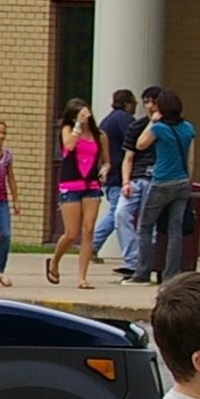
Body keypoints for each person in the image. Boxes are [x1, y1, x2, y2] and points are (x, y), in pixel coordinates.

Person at [130, 88, 197, 285]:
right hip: (182, 182)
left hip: (161, 182)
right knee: (175, 230)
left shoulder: (159, 128)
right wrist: (188, 180)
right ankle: (171, 274)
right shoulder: (188, 128)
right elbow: (191, 158)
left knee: (145, 226)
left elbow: (140, 144)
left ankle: (142, 272)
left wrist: (152, 121)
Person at [46, 99, 101, 288]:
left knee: (88, 229)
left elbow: (106, 159)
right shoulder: (68, 130)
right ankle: (54, 261)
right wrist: (78, 124)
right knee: (71, 233)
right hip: (71, 184)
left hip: (91, 185)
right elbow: (69, 146)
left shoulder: (98, 134)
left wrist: (106, 168)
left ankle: (82, 277)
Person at [94, 88, 141, 272]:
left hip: (109, 174)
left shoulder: (107, 120)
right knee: (117, 213)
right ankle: (93, 244)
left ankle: (93, 245)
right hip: (119, 175)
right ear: (127, 103)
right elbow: (135, 142)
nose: (135, 107)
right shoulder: (125, 120)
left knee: (116, 212)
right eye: (134, 103)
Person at [0, 117, 13, 288]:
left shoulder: (7, 156)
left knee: (6, 235)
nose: (1, 136)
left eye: (3, 133)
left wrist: (16, 199)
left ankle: (0, 270)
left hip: (2, 201)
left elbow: (11, 178)